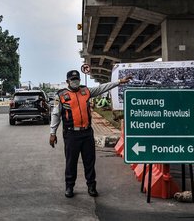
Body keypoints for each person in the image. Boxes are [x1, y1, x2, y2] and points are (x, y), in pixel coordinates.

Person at [49, 70, 132, 198]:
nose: (75, 82)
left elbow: (102, 88)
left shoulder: (86, 91)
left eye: (77, 79)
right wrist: (52, 133)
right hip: (71, 134)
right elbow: (55, 115)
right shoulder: (61, 96)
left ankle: (91, 186)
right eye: (73, 80)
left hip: (87, 133)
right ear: (67, 82)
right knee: (71, 162)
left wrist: (119, 82)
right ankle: (69, 186)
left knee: (89, 161)